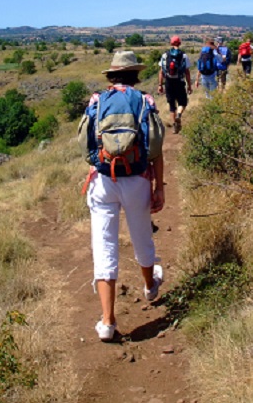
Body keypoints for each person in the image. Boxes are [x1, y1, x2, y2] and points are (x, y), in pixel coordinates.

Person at [82, 50, 165, 342]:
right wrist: (160, 186)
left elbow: (86, 145)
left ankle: (107, 321)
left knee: (104, 246)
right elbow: (155, 147)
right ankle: (150, 285)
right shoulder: (144, 101)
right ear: (134, 74)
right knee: (142, 237)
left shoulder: (96, 101)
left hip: (103, 179)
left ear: (112, 75)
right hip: (137, 180)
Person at [158, 35, 193, 133]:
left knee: (171, 105)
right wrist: (189, 85)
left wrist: (160, 85)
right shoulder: (184, 56)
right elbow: (187, 72)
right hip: (179, 81)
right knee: (182, 102)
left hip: (168, 82)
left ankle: (175, 126)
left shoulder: (165, 55)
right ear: (180, 43)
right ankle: (179, 114)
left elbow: (161, 72)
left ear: (171, 43)